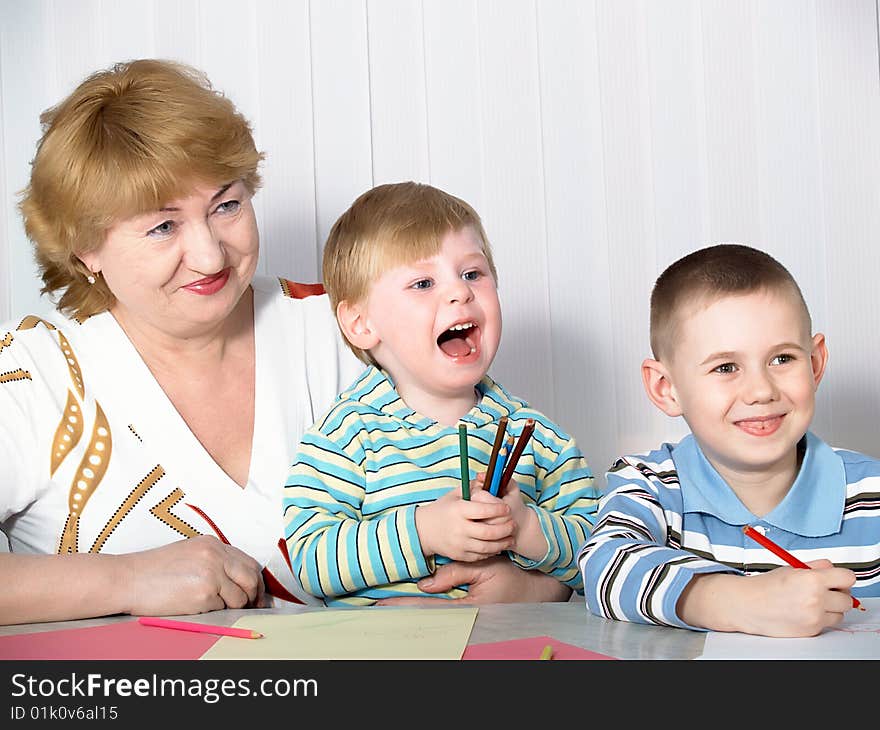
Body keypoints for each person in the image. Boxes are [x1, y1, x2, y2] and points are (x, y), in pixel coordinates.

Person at [0, 59, 569, 626]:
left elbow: (531, 478)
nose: (209, 254)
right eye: (162, 226)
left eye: (226, 205)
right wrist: (127, 578)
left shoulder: (350, 328)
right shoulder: (32, 374)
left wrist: (533, 588)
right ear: (84, 250)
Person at [282, 181, 600, 605]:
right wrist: (424, 531)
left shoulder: (540, 438)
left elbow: (603, 553)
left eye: (472, 274)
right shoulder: (346, 436)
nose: (460, 291)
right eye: (423, 283)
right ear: (361, 323)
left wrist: (527, 530)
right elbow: (311, 561)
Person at [578, 243, 880, 637]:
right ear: (666, 388)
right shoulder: (651, 484)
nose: (760, 391)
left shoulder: (871, 493)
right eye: (726, 367)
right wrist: (741, 601)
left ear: (815, 362)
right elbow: (605, 567)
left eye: (782, 359)